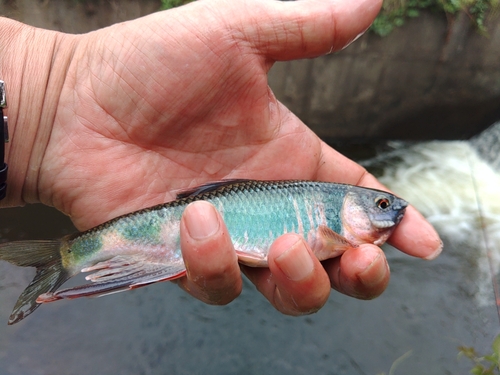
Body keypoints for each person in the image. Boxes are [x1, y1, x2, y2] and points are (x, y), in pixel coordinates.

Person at [0, 0, 441, 315]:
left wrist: (45, 110)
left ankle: (69, 258)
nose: (391, 207)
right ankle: (68, 256)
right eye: (381, 204)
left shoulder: (335, 223)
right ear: (346, 208)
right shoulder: (332, 222)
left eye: (385, 205)